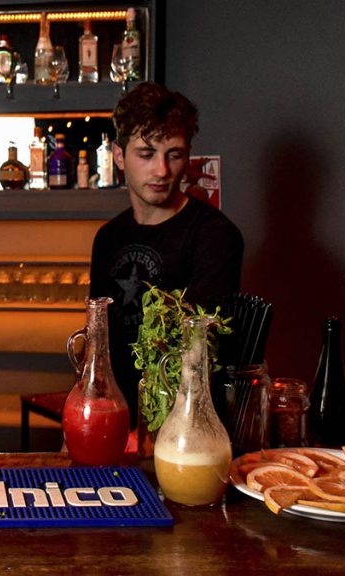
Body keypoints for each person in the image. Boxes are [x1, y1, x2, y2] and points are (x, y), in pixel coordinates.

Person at [89, 82, 244, 427]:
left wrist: (149, 434)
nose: (161, 170)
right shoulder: (108, 239)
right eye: (146, 154)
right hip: (117, 421)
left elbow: (198, 356)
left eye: (173, 154)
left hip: (188, 428)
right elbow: (98, 345)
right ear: (119, 156)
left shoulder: (215, 236)